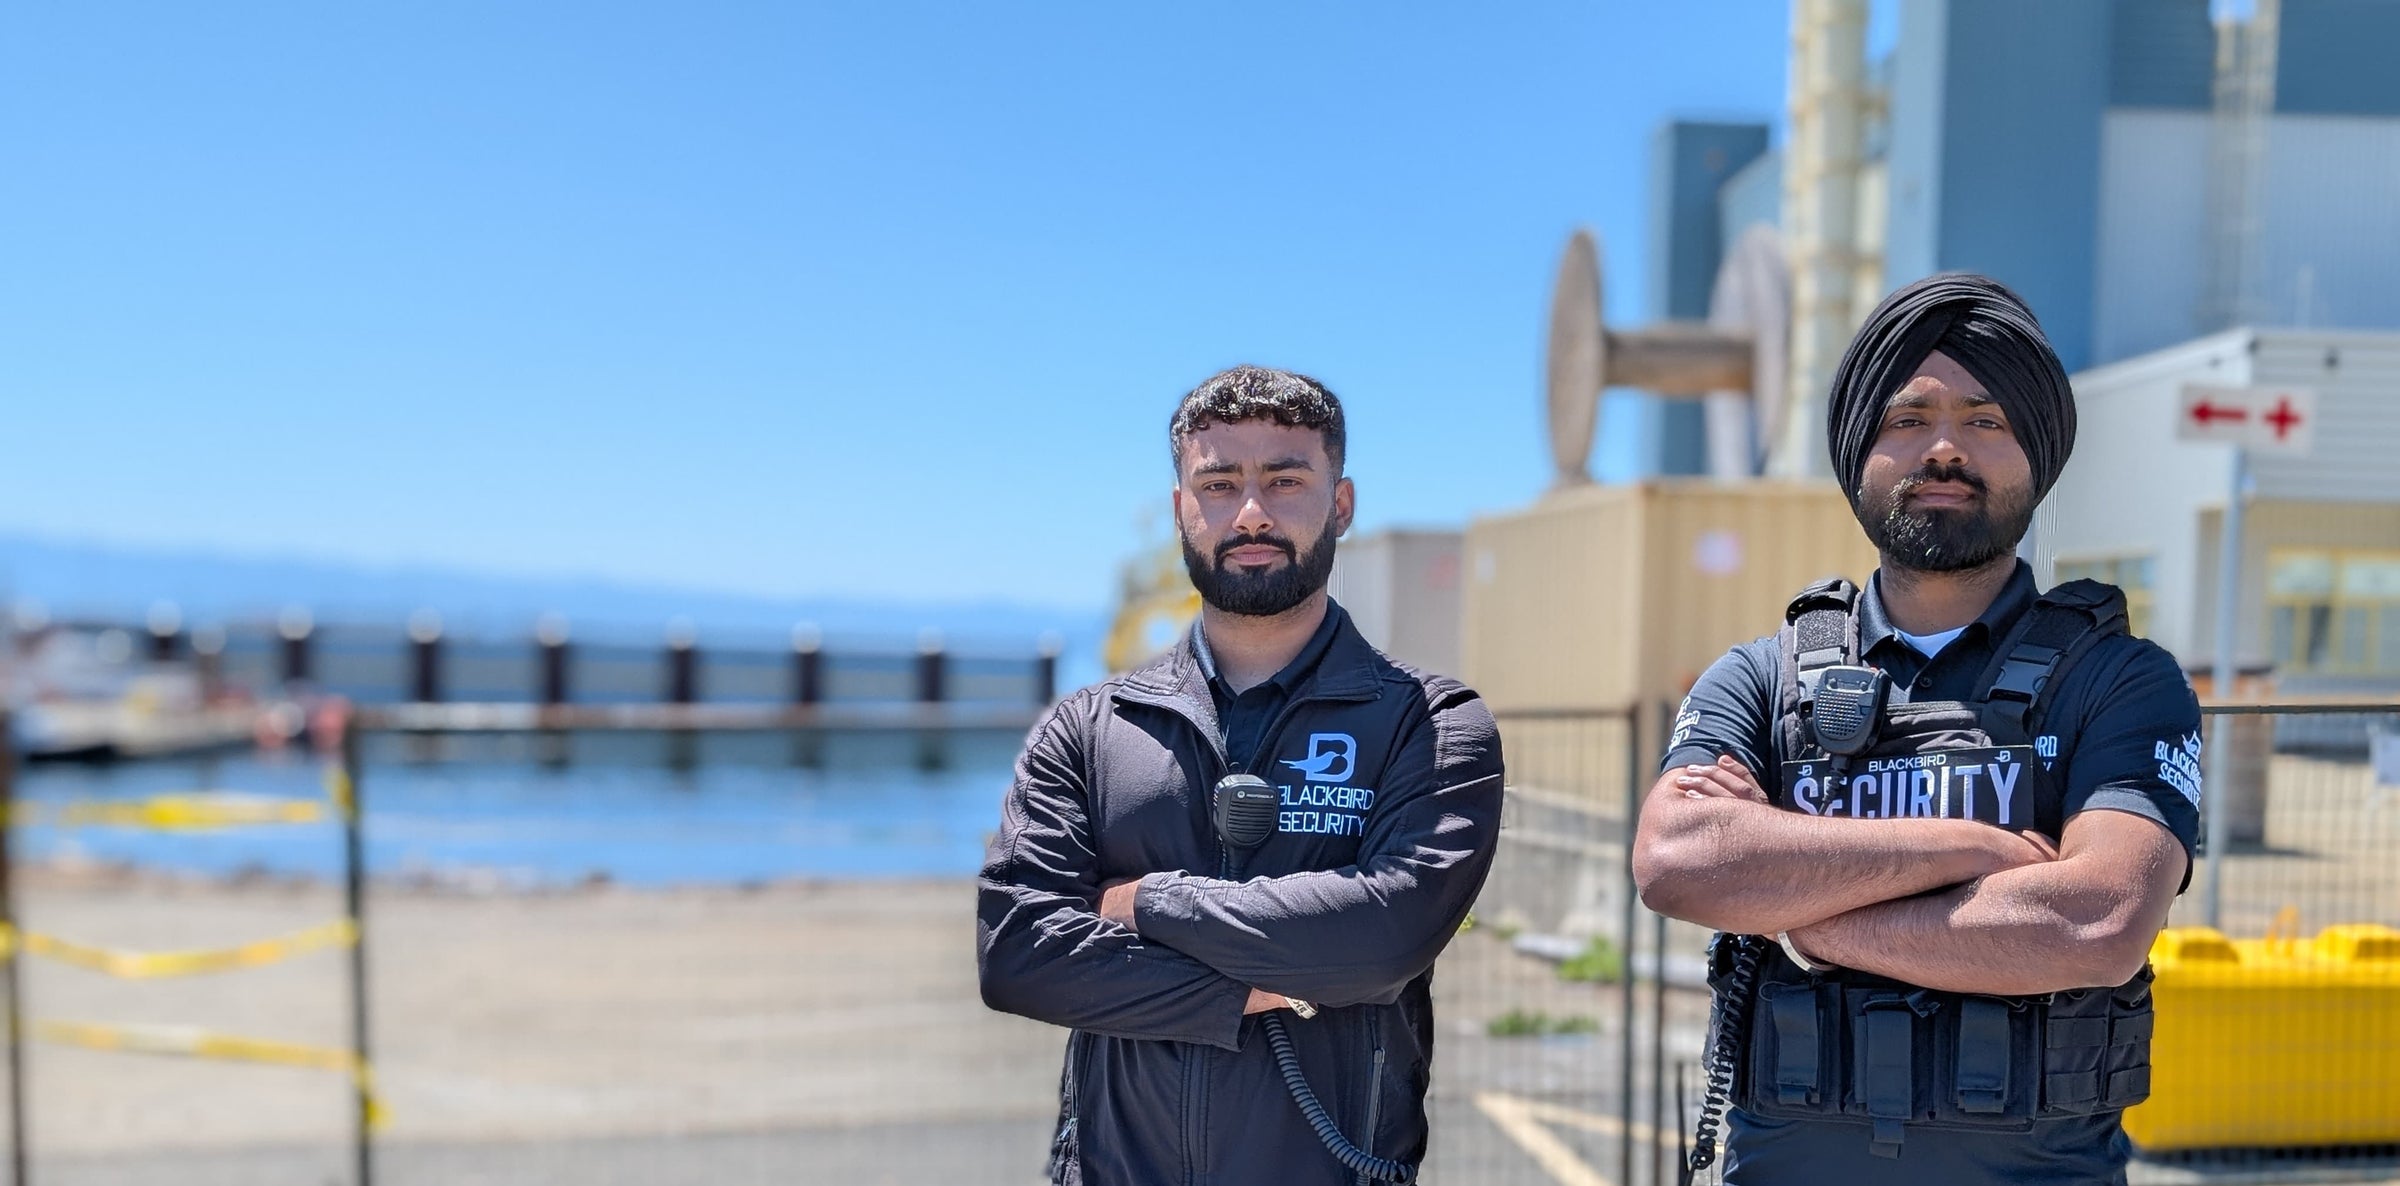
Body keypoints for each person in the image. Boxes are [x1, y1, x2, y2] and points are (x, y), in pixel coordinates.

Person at [1632, 275, 2203, 1185]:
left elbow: (2097, 920)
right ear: (1859, 452)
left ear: (2035, 457)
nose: (1945, 448)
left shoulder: (2121, 681)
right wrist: (1970, 848)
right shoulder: (1759, 677)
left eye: (1986, 420)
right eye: (1908, 418)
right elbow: (1677, 861)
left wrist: (1799, 921)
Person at [978, 364, 1504, 1186]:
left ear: (1341, 504)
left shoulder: (1429, 722)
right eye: (1218, 485)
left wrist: (1147, 903)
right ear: (1181, 509)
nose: (1251, 512)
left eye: (1285, 481)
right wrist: (1247, 992)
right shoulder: (1090, 727)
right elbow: (1019, 953)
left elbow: (1386, 937)